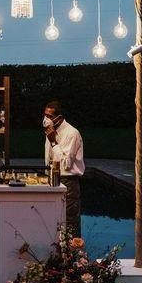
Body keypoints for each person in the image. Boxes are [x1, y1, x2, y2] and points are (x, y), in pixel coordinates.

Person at [43, 100, 84, 237]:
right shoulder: (50, 131)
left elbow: (66, 163)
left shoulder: (72, 133)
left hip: (68, 182)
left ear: (59, 118)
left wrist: (54, 142)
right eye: (45, 115)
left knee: (70, 222)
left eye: (49, 116)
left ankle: (74, 256)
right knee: (52, 221)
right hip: (51, 178)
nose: (45, 119)